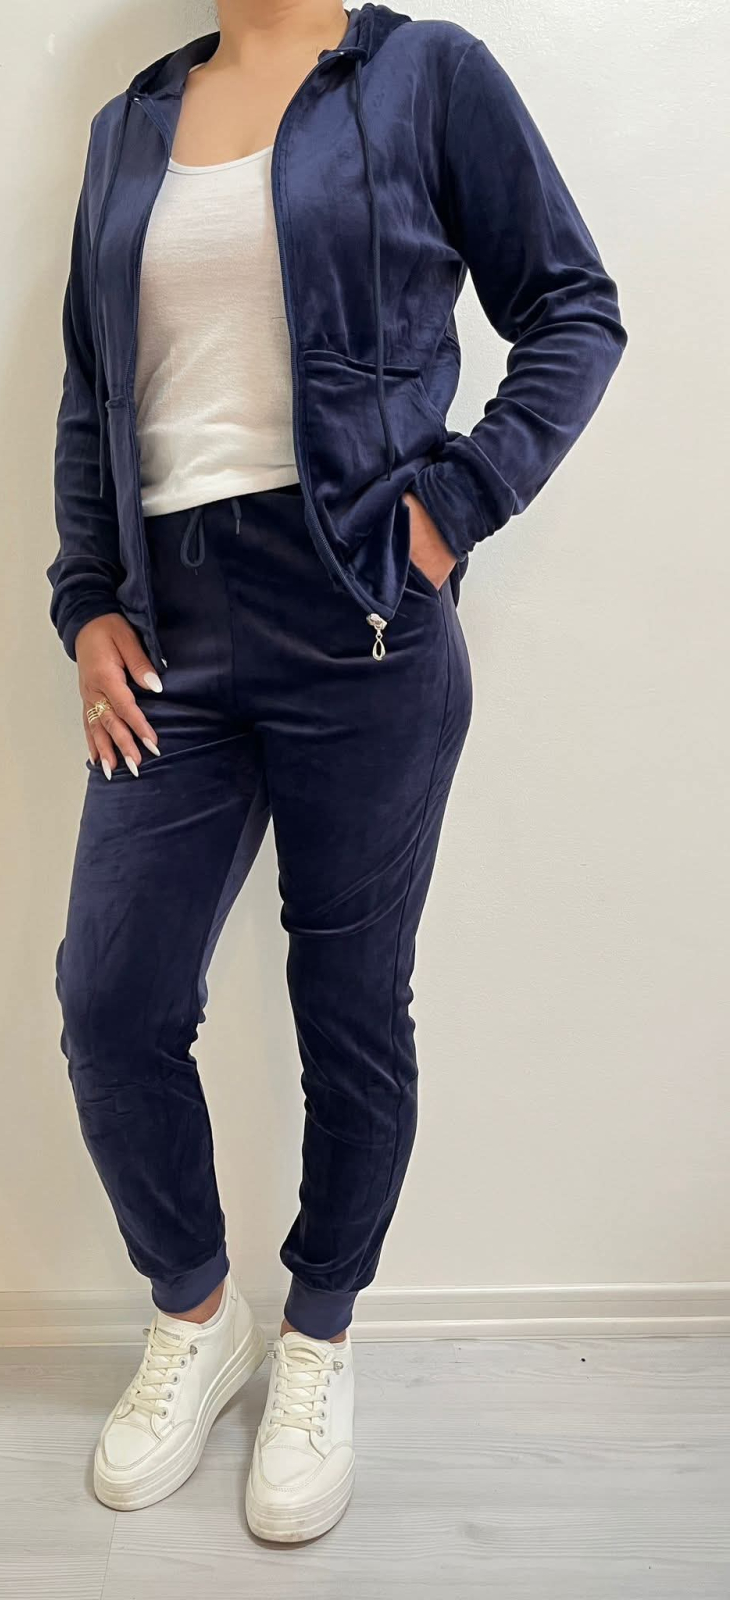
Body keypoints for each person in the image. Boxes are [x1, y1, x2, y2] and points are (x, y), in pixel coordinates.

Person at [46, 0, 626, 1542]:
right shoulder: (128, 126)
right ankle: (197, 1314)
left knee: (349, 1007)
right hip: (169, 629)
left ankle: (317, 1339)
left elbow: (574, 307)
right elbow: (92, 391)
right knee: (112, 999)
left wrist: (455, 505)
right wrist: (86, 600)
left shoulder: (427, 76)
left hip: (361, 615)